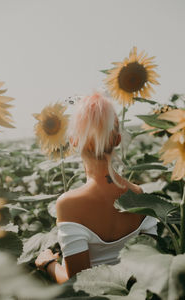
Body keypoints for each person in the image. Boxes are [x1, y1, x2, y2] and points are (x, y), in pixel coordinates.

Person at [35, 92, 157, 283]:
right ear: (117, 140)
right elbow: (154, 263)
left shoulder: (69, 204)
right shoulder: (140, 194)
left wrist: (48, 264)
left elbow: (79, 284)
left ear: (74, 142)